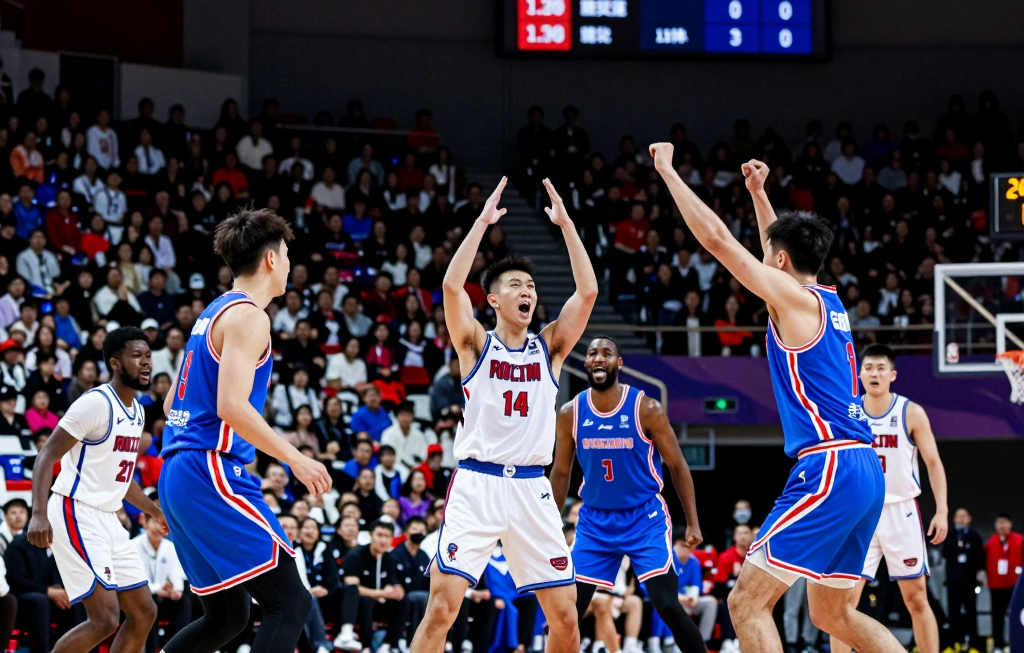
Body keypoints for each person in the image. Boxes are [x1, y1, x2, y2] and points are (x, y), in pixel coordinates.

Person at [651, 144, 898, 653]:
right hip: (864, 468)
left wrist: (669, 173)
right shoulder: (826, 300)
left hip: (828, 467)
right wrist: (760, 195)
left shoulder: (792, 300)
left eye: (771, 255)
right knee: (833, 612)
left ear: (780, 261)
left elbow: (719, 240)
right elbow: (776, 256)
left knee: (746, 603)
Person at [409, 177, 596, 653]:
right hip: (477, 484)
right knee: (441, 611)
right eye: (515, 284)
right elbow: (452, 285)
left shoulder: (550, 347)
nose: (526, 290)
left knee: (566, 619)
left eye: (531, 285)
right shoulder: (474, 344)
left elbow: (588, 291)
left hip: (531, 489)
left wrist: (568, 227)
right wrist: (481, 222)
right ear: (493, 300)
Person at [158, 208, 331, 653]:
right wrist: (296, 456)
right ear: (272, 259)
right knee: (291, 603)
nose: (291, 263)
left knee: (228, 616)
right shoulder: (250, 317)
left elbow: (170, 400)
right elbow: (231, 406)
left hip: (179, 471)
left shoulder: (213, 313)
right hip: (207, 469)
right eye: (288, 253)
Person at [550, 336, 706, 653]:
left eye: (607, 353)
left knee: (667, 607)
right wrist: (550, 524)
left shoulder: (646, 408)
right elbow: (561, 472)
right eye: (592, 353)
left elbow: (678, 466)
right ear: (585, 363)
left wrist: (692, 522)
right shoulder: (570, 413)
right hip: (595, 521)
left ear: (618, 364)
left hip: (643, 518)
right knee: (567, 613)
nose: (598, 357)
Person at [26, 327, 166, 653]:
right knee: (104, 618)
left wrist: (153, 509)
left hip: (107, 518)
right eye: (136, 356)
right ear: (116, 363)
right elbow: (47, 455)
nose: (146, 363)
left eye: (147, 356)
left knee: (145, 612)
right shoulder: (95, 403)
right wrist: (38, 512)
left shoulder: (139, 411)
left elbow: (121, 476)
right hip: (76, 510)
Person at [831, 344, 949, 653]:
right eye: (868, 367)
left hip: (901, 512)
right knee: (842, 601)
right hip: (859, 514)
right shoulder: (848, 413)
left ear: (892, 375)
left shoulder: (911, 412)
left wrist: (942, 510)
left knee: (917, 599)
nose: (874, 373)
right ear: (859, 373)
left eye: (881, 368)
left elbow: (933, 462)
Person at [337, 520, 409, 653]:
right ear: (370, 535)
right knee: (366, 600)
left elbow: (395, 584)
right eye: (380, 535)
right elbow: (351, 587)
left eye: (387, 536)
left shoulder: (389, 558)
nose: (383, 540)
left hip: (379, 604)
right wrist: (381, 593)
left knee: (403, 601)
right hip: (354, 605)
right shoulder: (355, 555)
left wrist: (397, 591)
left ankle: (388, 646)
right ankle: (364, 645)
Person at [133, 508, 191, 652]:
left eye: (162, 524)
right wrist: (157, 588)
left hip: (163, 596)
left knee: (185, 601)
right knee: (149, 605)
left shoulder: (170, 547)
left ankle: (180, 648)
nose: (159, 528)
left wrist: (175, 590)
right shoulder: (133, 546)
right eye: (154, 523)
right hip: (141, 598)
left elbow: (176, 573)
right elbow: (136, 580)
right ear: (144, 524)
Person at [943, 508, 984, 651]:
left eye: (965, 516)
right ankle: (953, 643)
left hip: (970, 581)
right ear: (953, 519)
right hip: (953, 581)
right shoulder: (949, 535)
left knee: (971, 613)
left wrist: (967, 548)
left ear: (970, 518)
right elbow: (945, 553)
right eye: (958, 516)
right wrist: (958, 549)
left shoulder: (974, 537)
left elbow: (980, 557)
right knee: (953, 612)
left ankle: (973, 644)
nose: (961, 518)